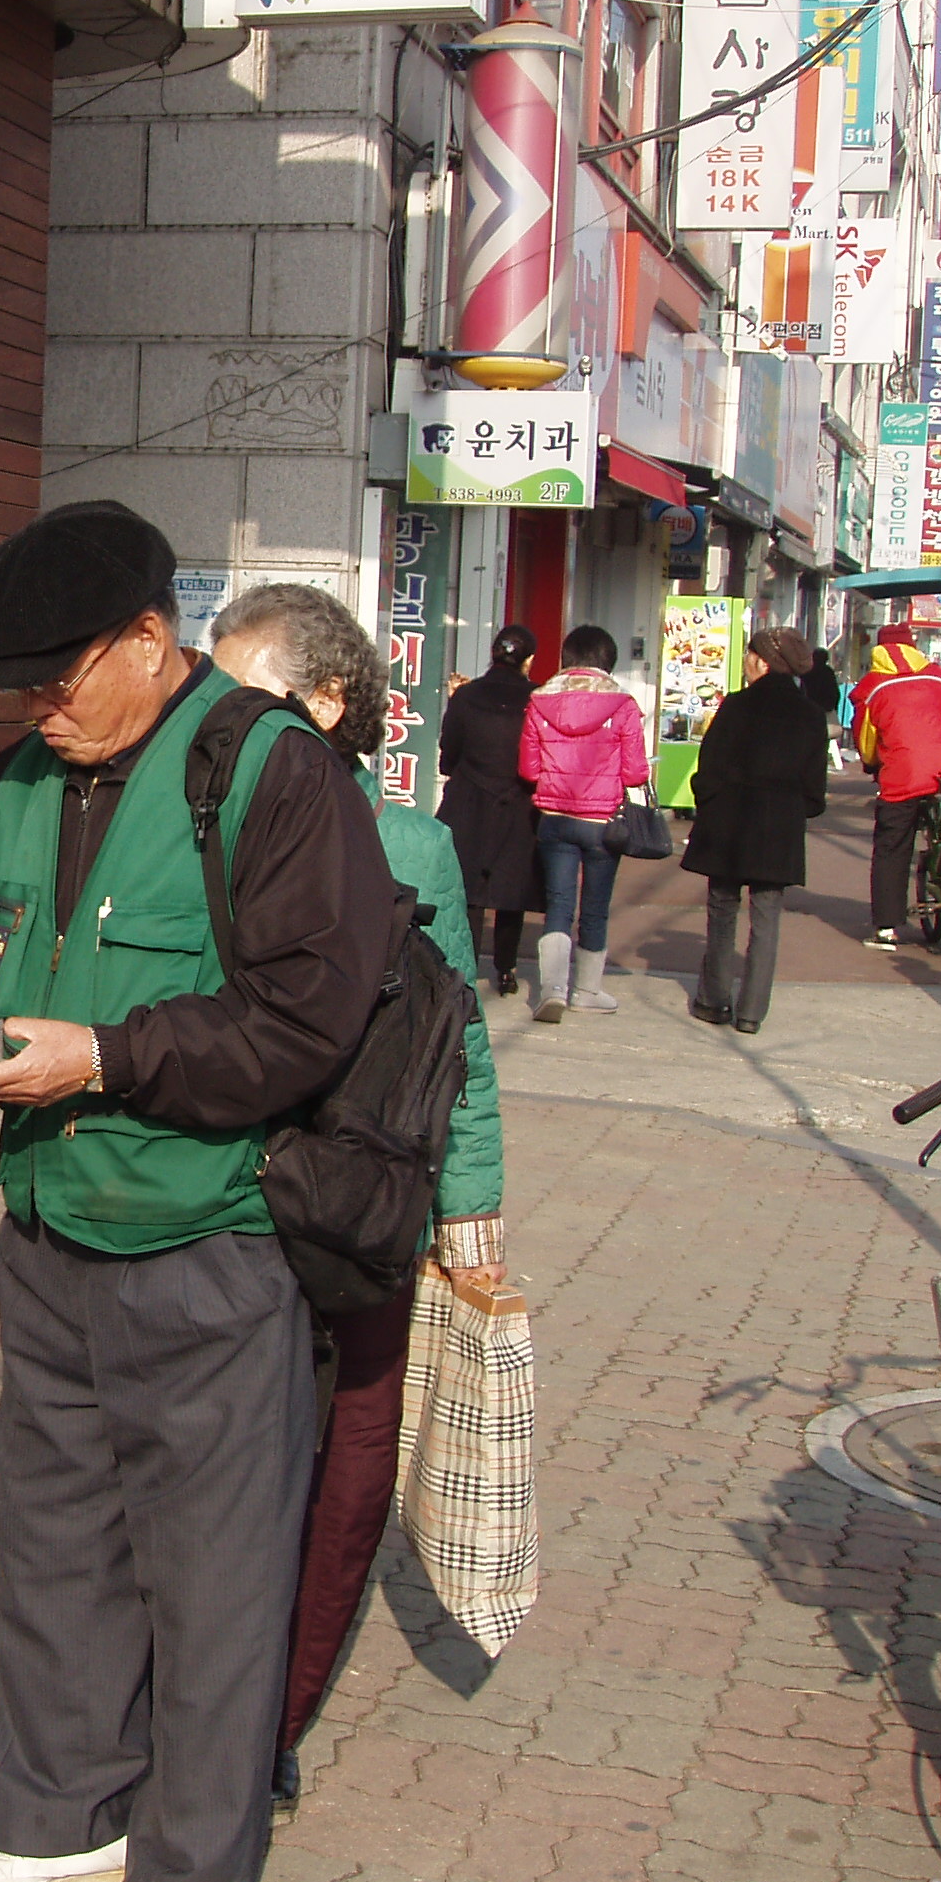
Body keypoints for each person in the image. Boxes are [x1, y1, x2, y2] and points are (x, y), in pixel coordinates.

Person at [0, 504, 394, 1882]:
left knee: (210, 1569)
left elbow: (307, 1016)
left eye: (60, 678)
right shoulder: (24, 774)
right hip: (51, 1224)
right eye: (18, 689)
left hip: (212, 1233)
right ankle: (64, 1811)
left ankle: (191, 1870)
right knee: (54, 1543)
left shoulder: (271, 774)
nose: (39, 710)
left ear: (150, 638)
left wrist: (107, 1058)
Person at [207, 586, 505, 1814]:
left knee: (349, 1452)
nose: (210, 726)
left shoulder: (410, 845)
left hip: (368, 1188)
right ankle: (215, 1706)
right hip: (231, 1186)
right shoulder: (185, 822)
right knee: (237, 1459)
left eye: (243, 699)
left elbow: (455, 1045)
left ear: (327, 708)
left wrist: (469, 1204)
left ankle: (273, 1716)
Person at [678, 629, 829, 1035]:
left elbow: (708, 767)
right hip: (778, 829)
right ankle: (752, 1011)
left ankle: (714, 999)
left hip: (728, 821)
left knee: (722, 910)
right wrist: (792, 808)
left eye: (749, 654)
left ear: (762, 661)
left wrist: (707, 799)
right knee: (766, 918)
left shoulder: (738, 706)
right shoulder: (811, 716)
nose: (745, 661)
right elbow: (815, 793)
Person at [518, 624, 648, 1022]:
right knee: (595, 907)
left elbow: (528, 768)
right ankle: (587, 990)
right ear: (608, 662)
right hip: (603, 822)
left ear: (566, 659)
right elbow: (635, 773)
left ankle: (551, 989)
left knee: (558, 905)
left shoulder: (539, 702)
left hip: (554, 819)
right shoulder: (623, 705)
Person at [852, 627, 941, 949]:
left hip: (904, 777)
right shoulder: (940, 680)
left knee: (892, 847)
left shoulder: (873, 689)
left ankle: (886, 927)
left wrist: (873, 764)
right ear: (914, 648)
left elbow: (868, 744)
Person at [437, 626, 543, 994]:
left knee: (468, 889)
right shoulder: (537, 699)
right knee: (512, 888)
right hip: (518, 803)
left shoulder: (465, 697)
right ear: (528, 660)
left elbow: (447, 757)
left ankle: (464, 964)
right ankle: (506, 968)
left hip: (468, 800)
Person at [798, 642, 843, 765]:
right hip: (824, 709)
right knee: (824, 737)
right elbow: (834, 692)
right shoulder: (828, 672)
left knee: (807, 738)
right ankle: (820, 760)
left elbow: (801, 689)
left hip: (808, 709)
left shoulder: (807, 672)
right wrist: (832, 706)